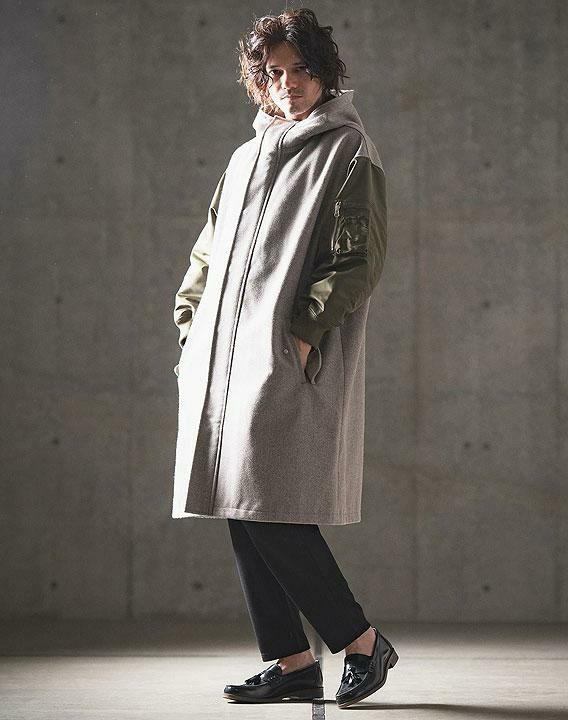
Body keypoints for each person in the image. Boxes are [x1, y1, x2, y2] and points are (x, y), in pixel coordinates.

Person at [172, 7, 396, 709]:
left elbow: (357, 260)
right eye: (273, 73)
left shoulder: (348, 150)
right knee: (241, 505)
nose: (288, 84)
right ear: (258, 79)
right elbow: (208, 251)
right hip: (221, 357)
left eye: (301, 70)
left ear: (324, 73)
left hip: (283, 354)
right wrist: (190, 324)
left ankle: (361, 641)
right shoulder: (245, 157)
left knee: (270, 505)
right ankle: (293, 662)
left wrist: (301, 334)